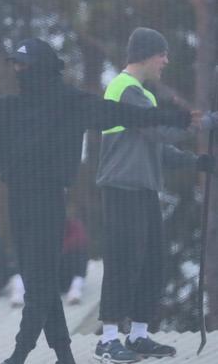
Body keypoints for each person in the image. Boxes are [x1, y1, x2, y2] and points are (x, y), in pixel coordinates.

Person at [0, 38, 194, 364]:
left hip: (48, 203)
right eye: (15, 65)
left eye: (23, 64)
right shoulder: (8, 107)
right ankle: (65, 354)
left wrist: (171, 117)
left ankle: (19, 353)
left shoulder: (73, 103)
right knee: (41, 281)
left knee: (37, 287)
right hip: (18, 203)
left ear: (41, 67)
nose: (17, 70)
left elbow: (124, 113)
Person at [94, 27, 216, 363]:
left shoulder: (144, 97)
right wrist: (205, 122)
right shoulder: (122, 89)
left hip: (144, 189)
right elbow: (159, 129)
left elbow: (157, 149)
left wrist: (199, 161)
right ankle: (107, 341)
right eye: (162, 54)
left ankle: (138, 335)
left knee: (151, 262)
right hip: (121, 189)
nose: (166, 60)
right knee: (122, 260)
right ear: (147, 54)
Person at [60, 206, 89, 305]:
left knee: (79, 254)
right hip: (57, 274)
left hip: (72, 270)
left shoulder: (75, 225)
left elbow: (81, 240)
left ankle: (75, 289)